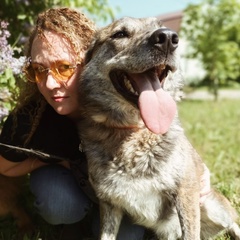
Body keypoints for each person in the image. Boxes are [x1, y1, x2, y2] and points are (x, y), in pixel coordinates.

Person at [0, 7, 211, 240]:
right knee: (57, 198)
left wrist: (200, 172)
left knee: (128, 236)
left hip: (121, 194)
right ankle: (73, 224)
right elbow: (5, 166)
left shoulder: (134, 104)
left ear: (87, 60)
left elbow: (171, 139)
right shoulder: (33, 117)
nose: (50, 83)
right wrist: (60, 161)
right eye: (39, 70)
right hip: (74, 185)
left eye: (64, 68)